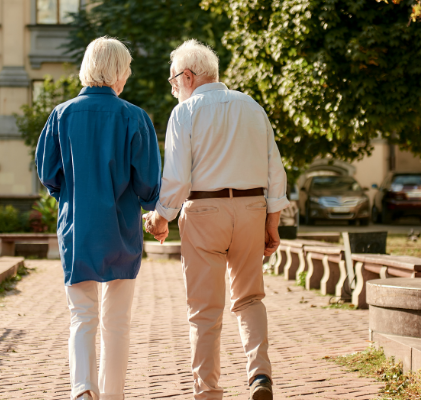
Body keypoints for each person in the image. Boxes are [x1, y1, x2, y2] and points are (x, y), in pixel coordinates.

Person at [144, 39, 288, 400]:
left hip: (204, 211)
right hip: (252, 208)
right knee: (250, 298)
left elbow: (178, 178)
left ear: (188, 76)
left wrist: (161, 218)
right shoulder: (252, 106)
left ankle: (208, 391)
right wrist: (272, 221)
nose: (173, 87)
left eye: (174, 80)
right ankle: (259, 376)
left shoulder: (185, 112)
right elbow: (275, 169)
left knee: (205, 309)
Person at [35, 37, 161, 400]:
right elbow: (149, 182)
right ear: (119, 73)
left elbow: (48, 174)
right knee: (117, 323)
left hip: (77, 228)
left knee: (82, 316)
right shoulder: (134, 117)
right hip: (120, 230)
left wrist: (71, 195)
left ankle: (82, 389)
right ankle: (112, 396)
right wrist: (154, 211)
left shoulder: (61, 114)